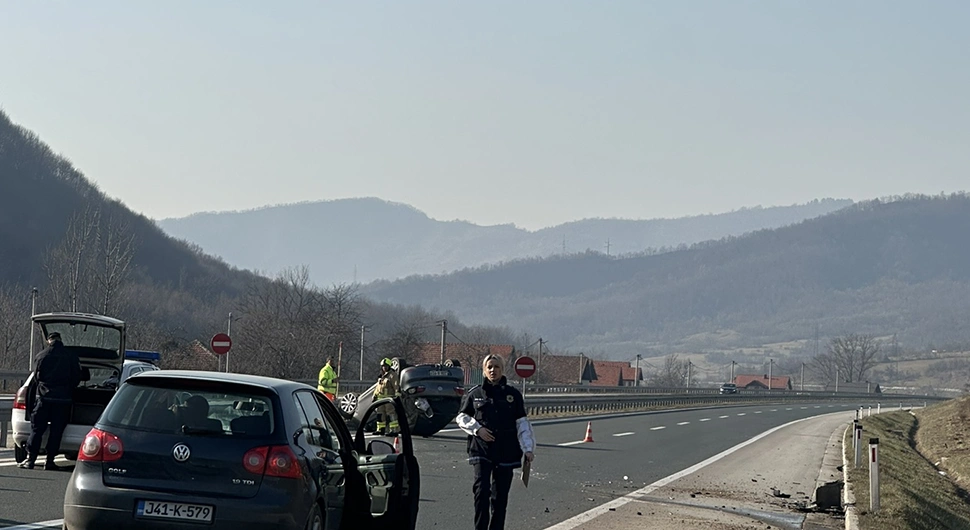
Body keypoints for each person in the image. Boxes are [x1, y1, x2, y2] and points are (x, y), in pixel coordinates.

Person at [456, 354, 535, 530]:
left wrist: (528, 449)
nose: (493, 370)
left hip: (506, 451)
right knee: (481, 492)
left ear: (502, 369)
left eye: (496, 367)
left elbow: (522, 424)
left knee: (499, 498)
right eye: (489, 367)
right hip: (481, 450)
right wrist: (478, 429)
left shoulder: (513, 395)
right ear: (484, 370)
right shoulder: (475, 393)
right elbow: (461, 417)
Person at [19, 332, 82, 470]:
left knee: (37, 429)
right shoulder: (70, 356)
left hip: (43, 398)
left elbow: (36, 377)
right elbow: (77, 378)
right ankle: (50, 461)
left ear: (49, 341)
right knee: (56, 431)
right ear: (60, 340)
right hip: (63, 400)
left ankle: (31, 460)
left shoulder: (41, 355)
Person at [373, 358, 400, 435]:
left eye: (386, 366)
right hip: (380, 399)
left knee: (391, 414)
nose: (384, 367)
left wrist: (396, 395)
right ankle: (380, 429)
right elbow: (378, 388)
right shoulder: (381, 376)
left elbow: (396, 386)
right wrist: (374, 396)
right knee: (380, 415)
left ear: (389, 366)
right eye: (383, 366)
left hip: (389, 399)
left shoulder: (392, 375)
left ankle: (394, 430)